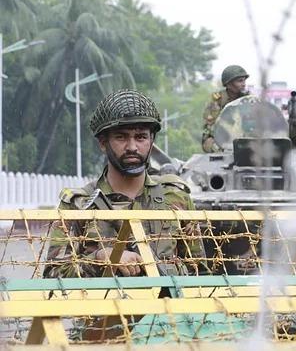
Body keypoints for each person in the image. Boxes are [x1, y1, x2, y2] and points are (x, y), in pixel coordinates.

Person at [44, 89, 207, 278]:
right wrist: (99, 259)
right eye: (121, 137)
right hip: (104, 306)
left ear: (151, 141)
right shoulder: (78, 204)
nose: (132, 147)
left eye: (141, 137)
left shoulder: (176, 197)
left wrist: (167, 272)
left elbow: (201, 272)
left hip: (165, 306)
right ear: (103, 143)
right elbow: (53, 274)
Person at [202, 65, 249, 152]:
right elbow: (211, 128)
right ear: (229, 84)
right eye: (240, 81)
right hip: (219, 139)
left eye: (244, 80)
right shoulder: (217, 101)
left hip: (243, 138)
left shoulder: (248, 99)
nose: (244, 84)